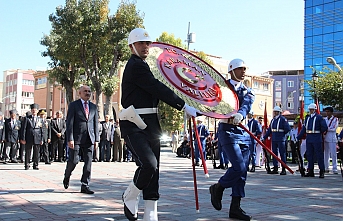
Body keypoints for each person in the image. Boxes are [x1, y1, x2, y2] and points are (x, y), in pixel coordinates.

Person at [119, 28, 198, 221]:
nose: (146, 47)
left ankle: (151, 211)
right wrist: (182, 105)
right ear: (132, 46)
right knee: (149, 164)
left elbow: (161, 88)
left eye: (148, 43)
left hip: (151, 124)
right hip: (133, 123)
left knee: (155, 172)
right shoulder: (135, 66)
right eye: (141, 43)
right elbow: (156, 87)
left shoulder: (144, 66)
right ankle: (130, 194)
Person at [209, 58, 254, 221]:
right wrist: (196, 111)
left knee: (242, 173)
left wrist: (241, 114)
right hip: (227, 130)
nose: (244, 72)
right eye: (240, 68)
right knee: (238, 167)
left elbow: (247, 105)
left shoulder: (248, 91)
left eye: (244, 69)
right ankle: (218, 187)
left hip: (243, 132)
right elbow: (211, 103)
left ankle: (235, 207)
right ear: (231, 70)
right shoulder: (222, 87)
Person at [63, 85, 99, 194]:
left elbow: (95, 123)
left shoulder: (93, 107)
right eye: (85, 91)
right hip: (76, 138)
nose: (88, 93)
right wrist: (70, 138)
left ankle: (85, 185)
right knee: (74, 160)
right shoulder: (74, 105)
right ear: (80, 93)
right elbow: (69, 123)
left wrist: (96, 139)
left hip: (89, 138)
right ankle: (67, 175)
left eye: (89, 91)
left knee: (88, 162)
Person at [296, 103, 328, 178]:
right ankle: (310, 171)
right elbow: (304, 129)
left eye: (312, 109)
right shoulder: (307, 118)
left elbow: (324, 127)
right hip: (309, 138)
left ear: (315, 109)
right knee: (309, 155)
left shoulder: (319, 117)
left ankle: (321, 171)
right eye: (310, 110)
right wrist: (298, 137)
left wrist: (319, 132)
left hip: (317, 137)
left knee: (319, 155)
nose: (311, 111)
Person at [261, 106, 290, 175]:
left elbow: (287, 129)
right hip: (274, 139)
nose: (275, 113)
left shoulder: (283, 119)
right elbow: (269, 131)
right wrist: (264, 137)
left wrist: (283, 135)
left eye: (277, 112)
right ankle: (275, 167)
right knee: (274, 154)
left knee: (282, 154)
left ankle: (283, 168)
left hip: (281, 139)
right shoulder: (273, 120)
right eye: (275, 112)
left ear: (279, 112)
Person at [20, 103, 44, 170]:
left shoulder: (40, 119)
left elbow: (42, 130)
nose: (34, 111)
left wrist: (42, 139)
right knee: (28, 151)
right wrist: (23, 138)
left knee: (36, 152)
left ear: (37, 111)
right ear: (31, 110)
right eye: (33, 110)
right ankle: (27, 165)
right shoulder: (27, 119)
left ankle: (35, 165)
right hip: (29, 136)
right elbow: (24, 129)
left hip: (37, 136)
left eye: (35, 110)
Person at [323, 106, 338, 174]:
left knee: (333, 154)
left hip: (332, 138)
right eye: (326, 111)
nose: (327, 113)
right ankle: (326, 167)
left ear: (331, 112)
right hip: (325, 137)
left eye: (328, 111)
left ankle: (334, 168)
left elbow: (333, 128)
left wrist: (326, 128)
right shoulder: (324, 119)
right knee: (326, 153)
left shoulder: (335, 119)